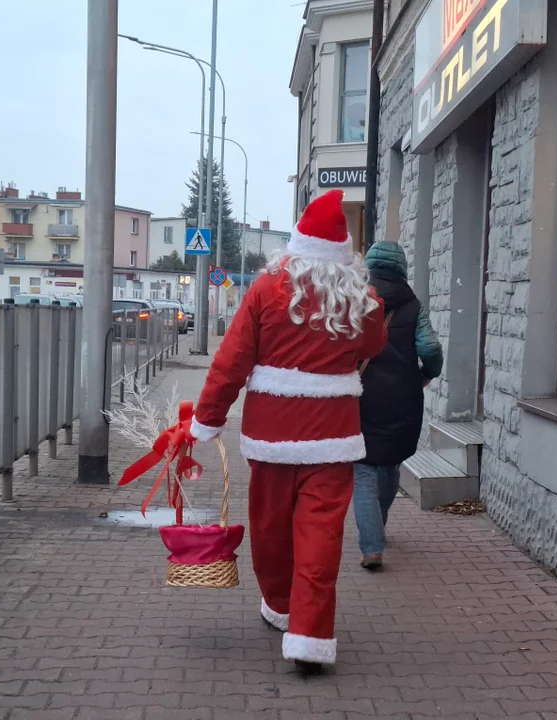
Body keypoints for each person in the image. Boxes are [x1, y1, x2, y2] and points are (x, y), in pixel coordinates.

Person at [189, 189, 387, 674]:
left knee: (271, 529)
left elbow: (232, 360)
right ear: (343, 254)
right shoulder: (360, 297)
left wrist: (208, 419)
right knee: (321, 533)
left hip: (272, 438)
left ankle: (280, 606)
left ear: (295, 243)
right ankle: (310, 634)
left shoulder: (265, 289)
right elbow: (376, 343)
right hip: (334, 437)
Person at [354, 241, 443, 571]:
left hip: (358, 393)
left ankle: (371, 545)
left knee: (362, 469)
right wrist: (427, 374)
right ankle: (379, 526)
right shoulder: (413, 304)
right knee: (389, 463)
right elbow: (430, 347)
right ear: (402, 268)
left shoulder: (355, 297)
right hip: (402, 394)